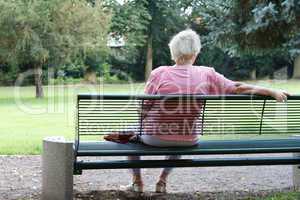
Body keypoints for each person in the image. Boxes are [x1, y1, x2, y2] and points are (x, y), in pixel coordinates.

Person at [125, 29, 289, 193]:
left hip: (155, 138)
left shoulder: (159, 73)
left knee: (128, 132)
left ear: (173, 53)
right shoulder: (207, 73)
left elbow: (143, 107)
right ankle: (162, 181)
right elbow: (237, 87)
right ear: (195, 53)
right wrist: (271, 92)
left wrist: (141, 121)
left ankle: (137, 181)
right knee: (181, 131)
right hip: (188, 138)